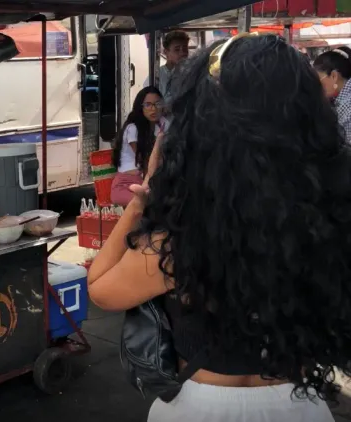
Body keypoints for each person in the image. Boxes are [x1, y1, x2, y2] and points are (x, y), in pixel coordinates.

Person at [89, 33, 350, 421]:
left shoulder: (186, 236)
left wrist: (143, 198)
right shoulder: (329, 222)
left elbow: (101, 287)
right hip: (300, 405)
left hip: (200, 406)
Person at [110, 86, 167, 207]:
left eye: (157, 104)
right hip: (126, 186)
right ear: (140, 107)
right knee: (153, 205)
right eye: (148, 105)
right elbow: (148, 162)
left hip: (146, 182)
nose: (154, 109)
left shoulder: (160, 125)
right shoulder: (133, 128)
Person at [314, 46, 351, 142]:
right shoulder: (340, 100)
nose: (316, 85)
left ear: (334, 76)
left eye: (318, 80)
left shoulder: (348, 106)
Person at [143, 31, 190, 107]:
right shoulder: (157, 76)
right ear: (166, 52)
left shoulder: (190, 74)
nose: (182, 53)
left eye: (185, 49)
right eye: (177, 50)